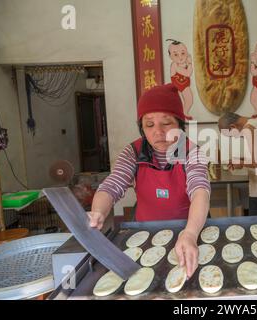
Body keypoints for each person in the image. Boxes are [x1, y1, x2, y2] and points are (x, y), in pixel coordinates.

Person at [88, 84, 211, 278]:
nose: (158, 132)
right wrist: (98, 212)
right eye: (149, 124)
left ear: (179, 124)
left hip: (190, 233)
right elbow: (112, 186)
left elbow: (200, 191)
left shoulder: (191, 151)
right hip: (146, 236)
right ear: (142, 128)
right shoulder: (133, 153)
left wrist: (189, 234)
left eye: (166, 123)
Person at [167, 39, 194, 120]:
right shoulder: (174, 65)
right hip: (179, 84)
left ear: (187, 53)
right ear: (170, 57)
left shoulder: (184, 63)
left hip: (184, 83)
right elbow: (188, 73)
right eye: (176, 55)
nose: (180, 57)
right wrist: (189, 63)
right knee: (188, 99)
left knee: (189, 99)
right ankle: (184, 112)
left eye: (183, 53)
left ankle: (185, 112)